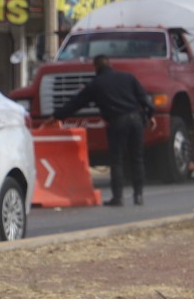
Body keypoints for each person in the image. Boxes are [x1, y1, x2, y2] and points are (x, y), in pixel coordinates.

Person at [52, 54, 154, 206]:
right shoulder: (128, 77)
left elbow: (75, 104)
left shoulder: (95, 84)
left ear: (96, 67)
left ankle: (118, 198)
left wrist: (56, 116)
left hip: (117, 121)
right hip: (136, 120)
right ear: (110, 65)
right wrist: (149, 115)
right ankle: (138, 195)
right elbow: (144, 98)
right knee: (137, 158)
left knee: (117, 160)